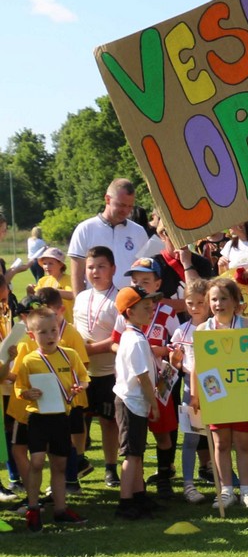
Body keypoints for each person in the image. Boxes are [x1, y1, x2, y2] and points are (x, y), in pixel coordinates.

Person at [10, 307, 89, 531]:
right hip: (38, 418)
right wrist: (27, 394)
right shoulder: (28, 361)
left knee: (60, 464)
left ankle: (61, 510)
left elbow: (83, 378)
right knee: (36, 461)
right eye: (43, 332)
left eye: (53, 330)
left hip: (61, 417)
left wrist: (78, 387)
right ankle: (33, 509)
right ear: (32, 335)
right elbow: (19, 387)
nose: (50, 336)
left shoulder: (69, 355)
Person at [192, 278, 248, 512]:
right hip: (215, 396)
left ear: (235, 301)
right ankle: (225, 490)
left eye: (223, 298)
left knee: (243, 442)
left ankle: (247, 490)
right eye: (213, 299)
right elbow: (197, 366)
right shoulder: (203, 330)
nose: (218, 304)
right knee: (220, 444)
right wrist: (195, 395)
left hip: (242, 395)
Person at [112, 286, 164, 521]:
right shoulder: (134, 339)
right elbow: (142, 376)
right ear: (129, 312)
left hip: (135, 402)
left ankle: (139, 495)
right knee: (131, 455)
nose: (151, 309)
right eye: (145, 306)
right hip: (131, 403)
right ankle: (125, 502)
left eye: (151, 304)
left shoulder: (135, 335)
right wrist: (154, 404)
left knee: (137, 453)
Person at [73, 246, 122, 488]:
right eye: (91, 267)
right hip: (82, 372)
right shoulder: (81, 297)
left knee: (108, 421)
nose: (95, 272)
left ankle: (111, 468)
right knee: (78, 419)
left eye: (101, 266)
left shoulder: (119, 298)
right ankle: (79, 462)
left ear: (113, 269)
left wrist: (91, 349)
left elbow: (119, 336)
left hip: (109, 372)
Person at [169, 280, 211, 504]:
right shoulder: (181, 331)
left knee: (219, 436)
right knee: (191, 437)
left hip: (216, 388)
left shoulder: (216, 327)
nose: (195, 307)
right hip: (189, 389)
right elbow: (176, 363)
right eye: (190, 303)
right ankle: (188, 484)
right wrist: (175, 361)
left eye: (200, 303)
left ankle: (225, 482)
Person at [68, 179, 149, 292]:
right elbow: (77, 275)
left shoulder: (139, 231)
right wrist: (80, 305)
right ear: (107, 199)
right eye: (121, 205)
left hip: (130, 303)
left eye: (130, 206)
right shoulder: (85, 229)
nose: (126, 210)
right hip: (96, 303)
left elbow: (146, 271)